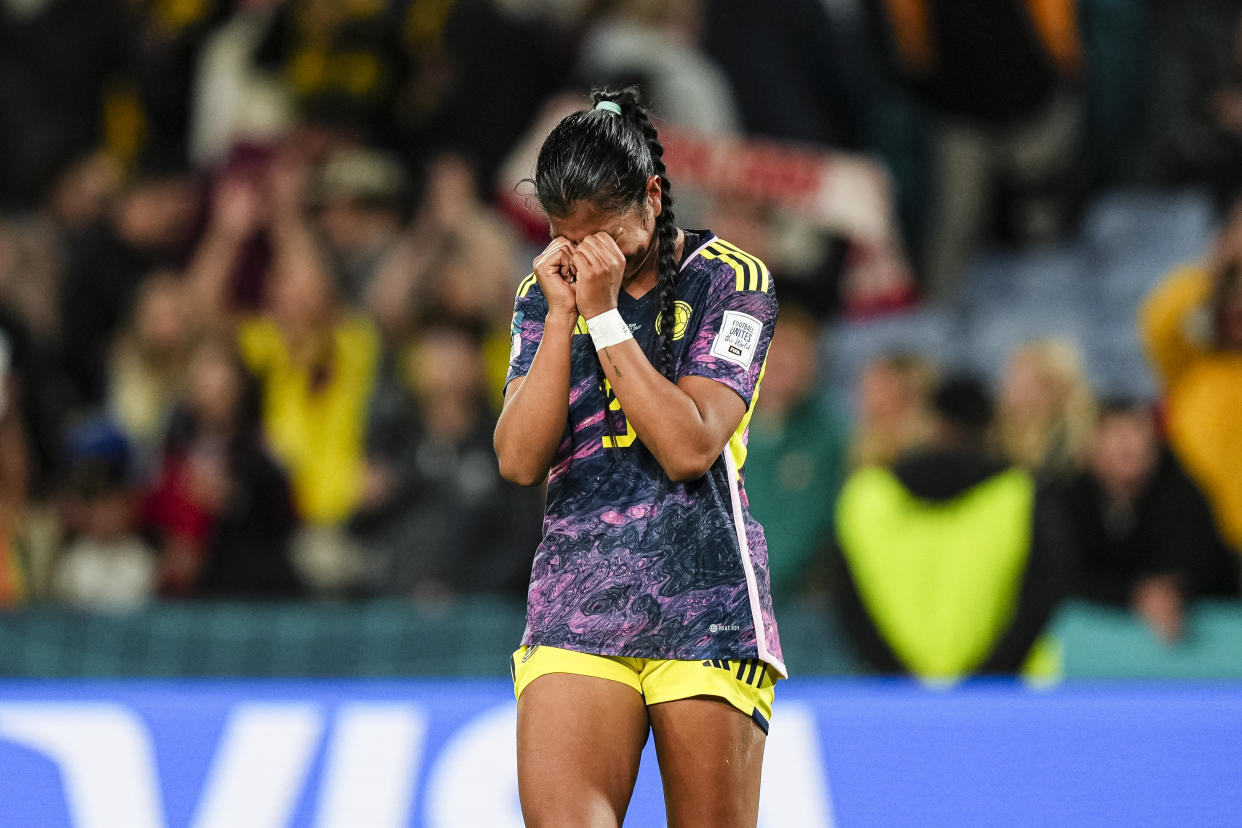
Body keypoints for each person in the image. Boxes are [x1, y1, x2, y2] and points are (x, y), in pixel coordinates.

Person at [494, 88, 783, 827]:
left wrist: (603, 315)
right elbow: (520, 460)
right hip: (577, 605)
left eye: (607, 236)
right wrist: (562, 317)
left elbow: (690, 447)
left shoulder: (731, 282)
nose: (589, 257)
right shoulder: (544, 294)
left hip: (706, 606)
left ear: (653, 197)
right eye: (568, 238)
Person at [829, 374, 1067, 681]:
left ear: (931, 424)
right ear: (991, 428)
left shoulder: (865, 497)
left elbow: (849, 604)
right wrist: (983, 682)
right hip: (1009, 699)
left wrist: (903, 678)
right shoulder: (1021, 498)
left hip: (897, 698)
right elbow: (1040, 602)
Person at [1061, 399, 1239, 643]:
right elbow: (1064, 568)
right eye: (1113, 445)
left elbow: (1202, 559)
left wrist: (1171, 590)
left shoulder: (1181, 489)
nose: (1123, 449)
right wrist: (1134, 594)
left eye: (1131, 443)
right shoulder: (1072, 497)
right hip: (1095, 644)